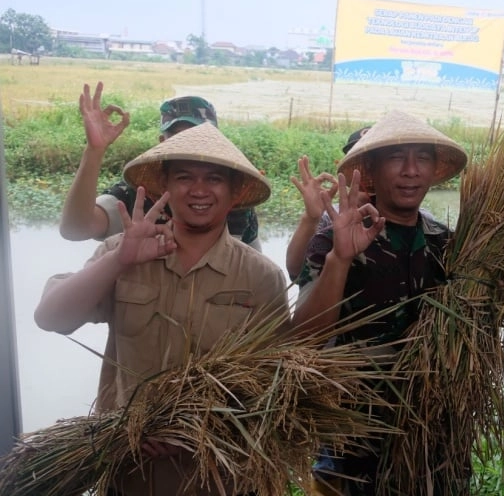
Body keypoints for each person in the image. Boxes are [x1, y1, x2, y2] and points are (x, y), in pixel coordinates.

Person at [35, 123, 289, 495]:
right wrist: (120, 259)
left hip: (221, 478)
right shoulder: (123, 252)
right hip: (128, 472)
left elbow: (277, 385)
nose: (199, 190)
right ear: (164, 187)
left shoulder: (260, 276)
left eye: (214, 179)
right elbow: (50, 318)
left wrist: (201, 428)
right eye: (184, 177)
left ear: (234, 193)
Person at [291, 110, 468, 495]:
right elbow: (302, 338)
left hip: (431, 433)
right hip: (353, 431)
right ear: (371, 169)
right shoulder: (336, 238)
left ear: (434, 168)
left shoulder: (447, 244)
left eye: (421, 157)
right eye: (395, 158)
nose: (410, 170)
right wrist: (340, 259)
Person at [59, 82, 262, 250]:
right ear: (162, 143)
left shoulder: (236, 203)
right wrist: (94, 152)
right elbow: (76, 229)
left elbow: (253, 270)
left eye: (199, 137)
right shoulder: (136, 194)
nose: (190, 146)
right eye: (179, 137)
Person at [285, 126, 372, 281]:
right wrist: (311, 219)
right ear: (348, 168)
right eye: (358, 161)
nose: (367, 170)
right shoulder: (331, 218)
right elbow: (295, 271)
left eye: (374, 161)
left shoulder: (420, 220)